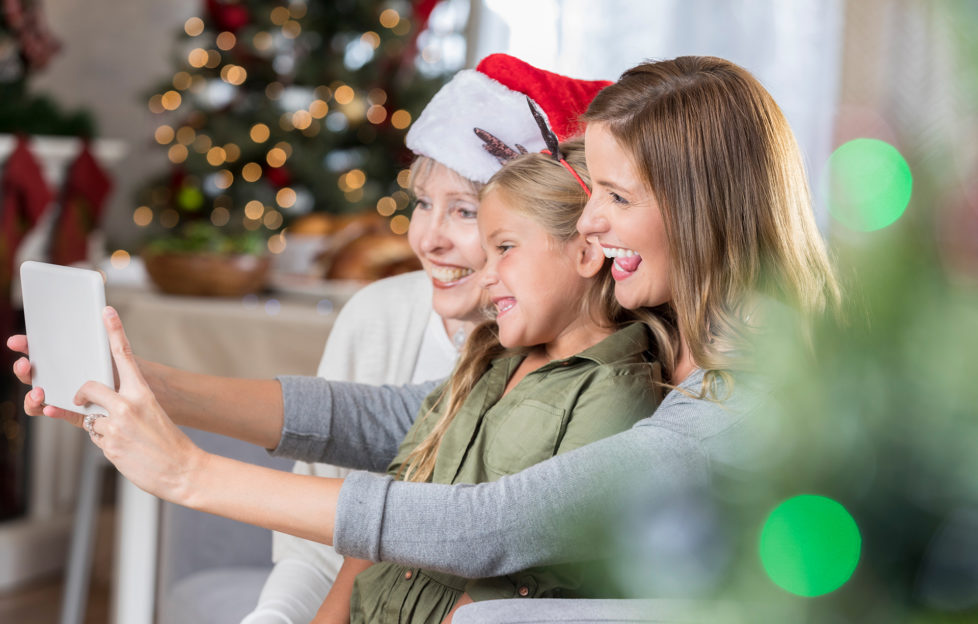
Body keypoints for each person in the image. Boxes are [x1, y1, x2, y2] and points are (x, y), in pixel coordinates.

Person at [9, 55, 840, 622]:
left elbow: (482, 526)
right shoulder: (647, 331)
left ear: (699, 208)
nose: (592, 220)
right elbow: (387, 422)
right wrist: (142, 389)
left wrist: (189, 474)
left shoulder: (736, 395)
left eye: (615, 198)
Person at [242, 54, 609, 624]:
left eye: (464, 212)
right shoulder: (377, 315)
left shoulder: (572, 372)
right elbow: (318, 542)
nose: (428, 239)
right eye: (422, 205)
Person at [313, 139, 661, 624]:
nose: (485, 276)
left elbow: (527, 576)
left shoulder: (616, 391)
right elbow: (399, 492)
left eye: (504, 249)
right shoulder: (487, 358)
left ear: (585, 253)